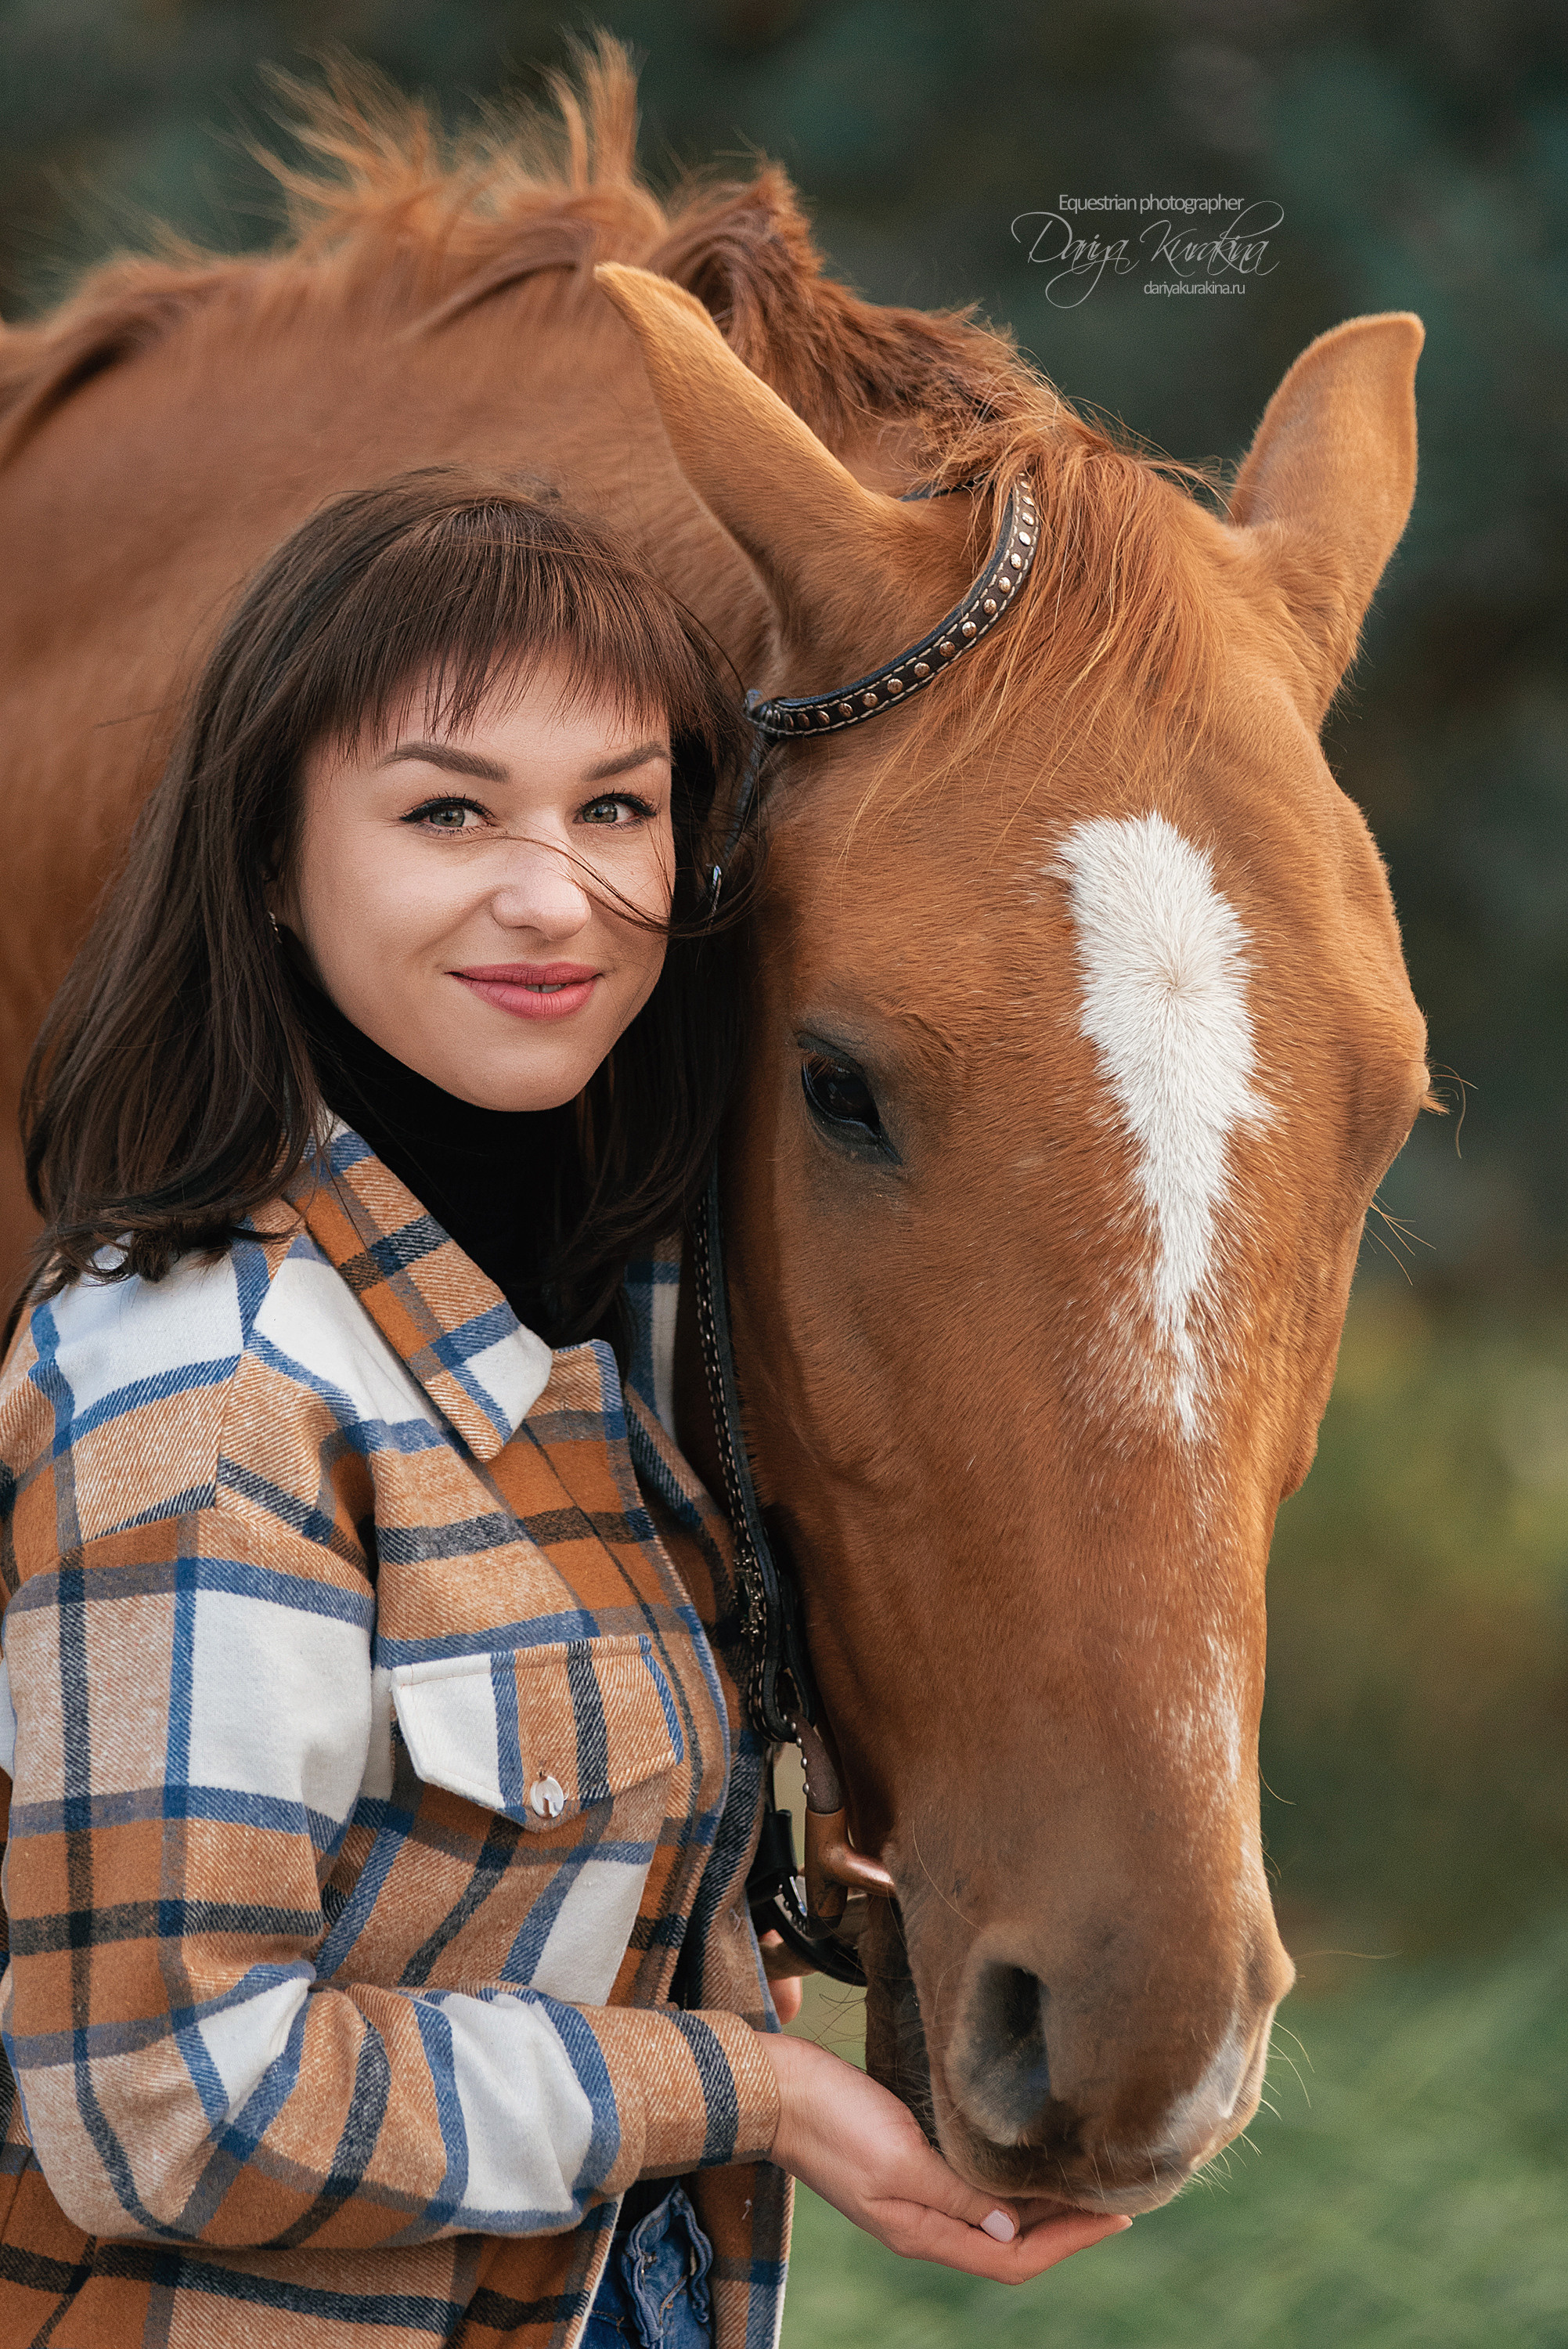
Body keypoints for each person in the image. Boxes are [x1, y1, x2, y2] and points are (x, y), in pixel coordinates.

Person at [0, 473, 1126, 2347]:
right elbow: (171, 2107)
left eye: (617, 807)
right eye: (449, 811)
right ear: (274, 861)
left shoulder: (602, 1336)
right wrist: (752, 2095)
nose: (556, 896)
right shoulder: (213, 1393)